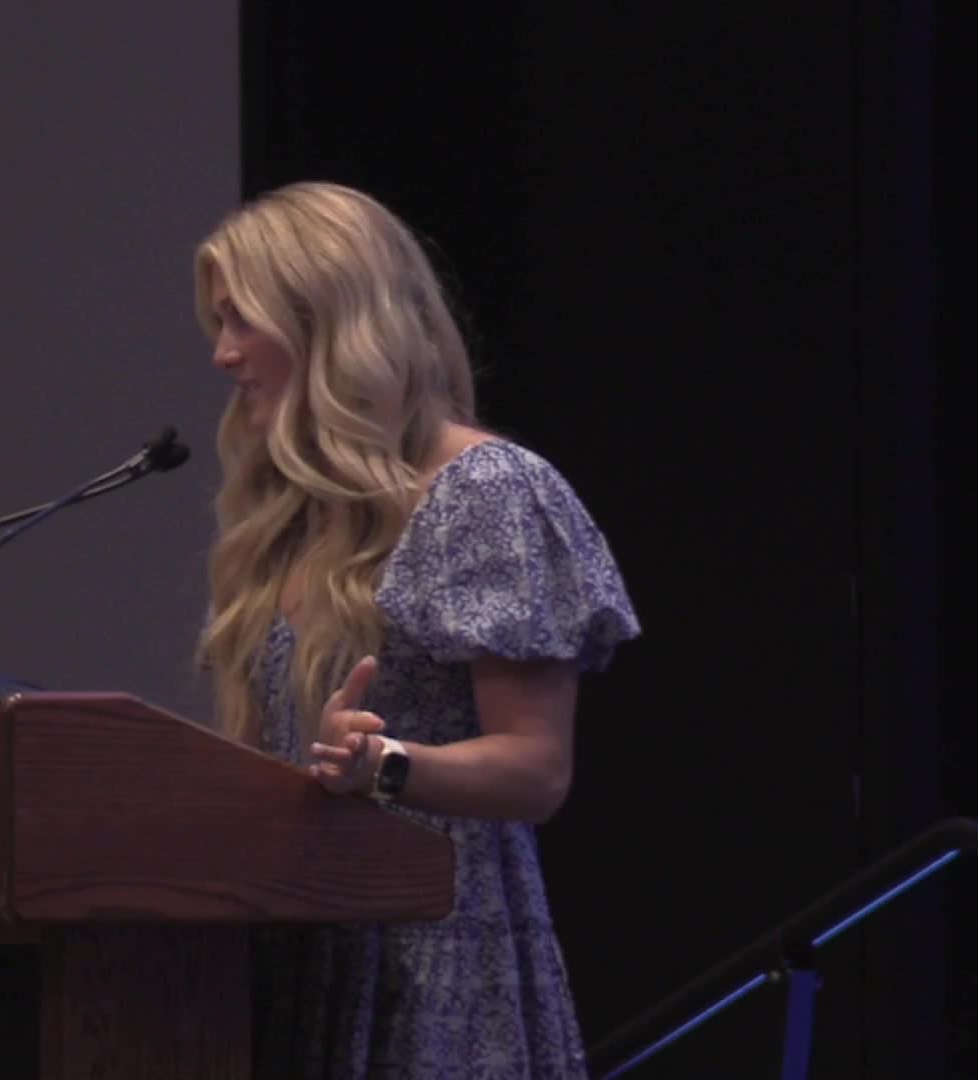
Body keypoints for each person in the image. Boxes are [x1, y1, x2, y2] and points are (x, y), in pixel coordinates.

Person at [193, 181, 641, 1080]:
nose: (223, 354)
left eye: (242, 320)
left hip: (439, 969)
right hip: (300, 958)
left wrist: (386, 765)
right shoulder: (285, 519)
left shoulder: (485, 493)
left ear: (326, 320)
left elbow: (536, 769)